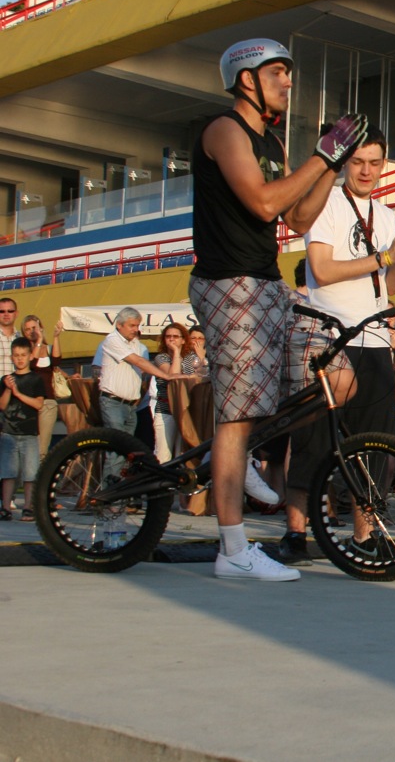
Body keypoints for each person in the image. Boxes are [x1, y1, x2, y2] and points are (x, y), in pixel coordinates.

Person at [189, 37, 369, 581]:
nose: (289, 81)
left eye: (289, 73)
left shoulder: (271, 141)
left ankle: (239, 448)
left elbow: (299, 218)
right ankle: (232, 550)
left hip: (267, 283)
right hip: (228, 283)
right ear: (246, 79)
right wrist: (320, 156)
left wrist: (333, 166)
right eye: (277, 73)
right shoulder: (225, 130)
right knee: (236, 418)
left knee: (337, 378)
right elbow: (264, 203)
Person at [277, 129, 395, 565]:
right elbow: (321, 270)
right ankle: (295, 532)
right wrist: (383, 257)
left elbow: (392, 285)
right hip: (326, 332)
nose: (366, 171)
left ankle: (365, 533)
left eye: (375, 163)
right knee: (311, 437)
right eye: (358, 161)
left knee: (373, 442)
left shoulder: (388, 214)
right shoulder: (325, 204)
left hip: (374, 335)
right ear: (344, 163)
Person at [97, 307, 187, 439]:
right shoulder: (112, 340)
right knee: (117, 444)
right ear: (119, 325)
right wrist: (166, 375)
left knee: (128, 445)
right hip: (114, 402)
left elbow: (142, 367)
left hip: (131, 405)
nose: (135, 329)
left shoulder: (135, 343)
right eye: (132, 325)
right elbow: (138, 361)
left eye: (137, 325)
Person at [0, 337, 44, 522]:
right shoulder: (6, 379)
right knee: (8, 473)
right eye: (16, 355)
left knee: (30, 473)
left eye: (23, 355)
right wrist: (9, 389)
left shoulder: (36, 379)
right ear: (11, 357)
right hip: (9, 432)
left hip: (29, 433)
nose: (19, 359)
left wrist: (18, 393)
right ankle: (5, 507)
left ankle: (28, 507)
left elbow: (39, 404)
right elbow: (2, 405)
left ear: (30, 356)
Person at [152, 322, 191, 463]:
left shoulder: (190, 358)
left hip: (186, 411)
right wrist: (176, 353)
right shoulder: (161, 358)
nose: (172, 339)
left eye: (175, 336)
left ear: (183, 340)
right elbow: (173, 376)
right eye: (168, 336)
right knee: (163, 455)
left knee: (184, 454)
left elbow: (200, 374)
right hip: (166, 410)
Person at [20, 315, 59, 458]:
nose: (32, 331)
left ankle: (39, 472)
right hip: (29, 402)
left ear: (40, 328)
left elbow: (56, 362)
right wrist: (38, 341)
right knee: (27, 445)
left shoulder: (48, 348)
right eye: (27, 329)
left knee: (42, 447)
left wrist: (56, 337)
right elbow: (31, 364)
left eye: (34, 328)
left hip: (47, 401)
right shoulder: (24, 351)